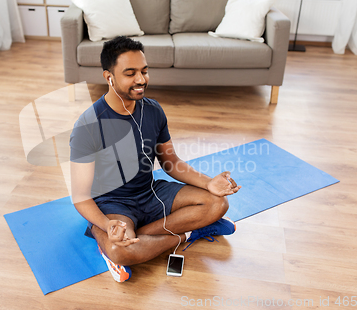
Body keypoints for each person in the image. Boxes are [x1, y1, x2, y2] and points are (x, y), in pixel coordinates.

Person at [69, 36, 241, 283]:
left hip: (150, 193)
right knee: (121, 250)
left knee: (217, 204)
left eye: (144, 71)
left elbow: (170, 162)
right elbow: (81, 196)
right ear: (109, 77)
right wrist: (107, 225)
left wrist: (208, 183)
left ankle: (135, 237)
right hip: (113, 203)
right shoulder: (88, 126)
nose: (141, 80)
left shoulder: (153, 109)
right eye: (130, 73)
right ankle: (175, 235)